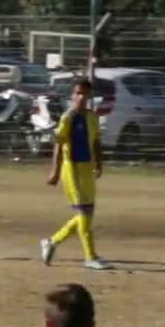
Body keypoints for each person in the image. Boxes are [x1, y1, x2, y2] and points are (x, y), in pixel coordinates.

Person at [39, 78, 108, 271]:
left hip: (87, 169)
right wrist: (55, 171)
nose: (81, 97)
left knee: (87, 214)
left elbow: (95, 141)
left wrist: (99, 164)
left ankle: (51, 242)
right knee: (83, 213)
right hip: (72, 169)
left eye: (84, 94)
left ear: (89, 96)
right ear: (72, 95)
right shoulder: (67, 117)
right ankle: (90, 257)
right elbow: (59, 144)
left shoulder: (92, 117)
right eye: (77, 93)